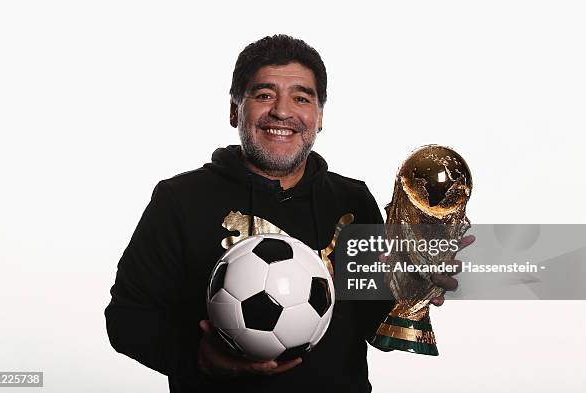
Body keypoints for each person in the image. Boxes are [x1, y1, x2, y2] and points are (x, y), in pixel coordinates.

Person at [104, 34, 467, 393]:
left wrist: (413, 289)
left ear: (319, 116)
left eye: (301, 98)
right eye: (264, 95)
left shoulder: (352, 200)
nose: (282, 111)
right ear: (234, 110)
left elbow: (372, 324)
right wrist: (198, 358)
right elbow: (126, 320)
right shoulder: (179, 200)